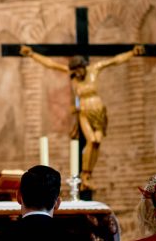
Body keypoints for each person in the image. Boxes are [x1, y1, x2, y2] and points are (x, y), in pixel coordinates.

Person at [20, 44, 144, 190]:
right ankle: (84, 175)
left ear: (83, 67)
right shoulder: (73, 75)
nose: (77, 74)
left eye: (78, 70)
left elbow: (115, 60)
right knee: (91, 140)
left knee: (97, 142)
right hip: (84, 112)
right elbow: (51, 64)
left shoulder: (94, 69)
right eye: (74, 72)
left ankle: (89, 175)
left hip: (98, 112)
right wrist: (32, 54)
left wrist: (132, 53)